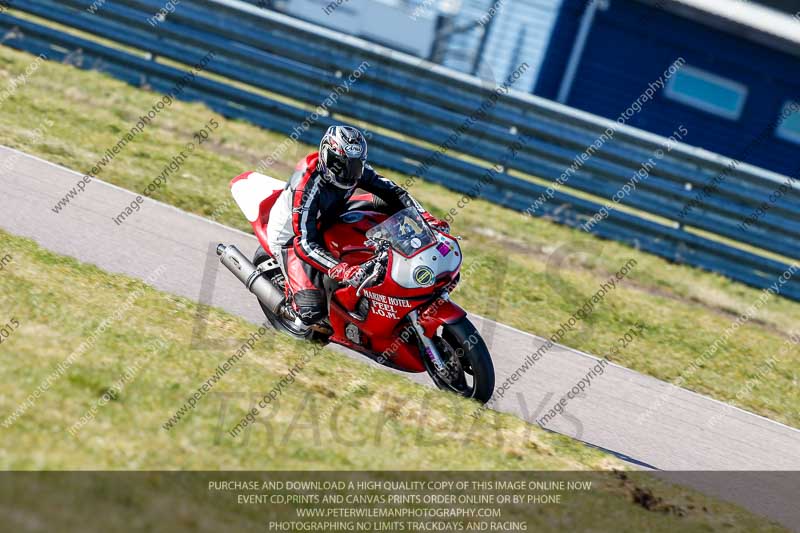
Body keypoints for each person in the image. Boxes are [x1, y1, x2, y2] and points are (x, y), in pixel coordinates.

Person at [266, 125, 448, 326]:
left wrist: (426, 219)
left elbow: (395, 193)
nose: (348, 173)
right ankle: (292, 302)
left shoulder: (356, 171)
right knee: (311, 312)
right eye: (341, 165)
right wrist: (343, 270)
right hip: (292, 238)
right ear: (326, 155)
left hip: (332, 214)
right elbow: (305, 243)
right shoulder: (307, 186)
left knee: (385, 202)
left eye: (354, 166)